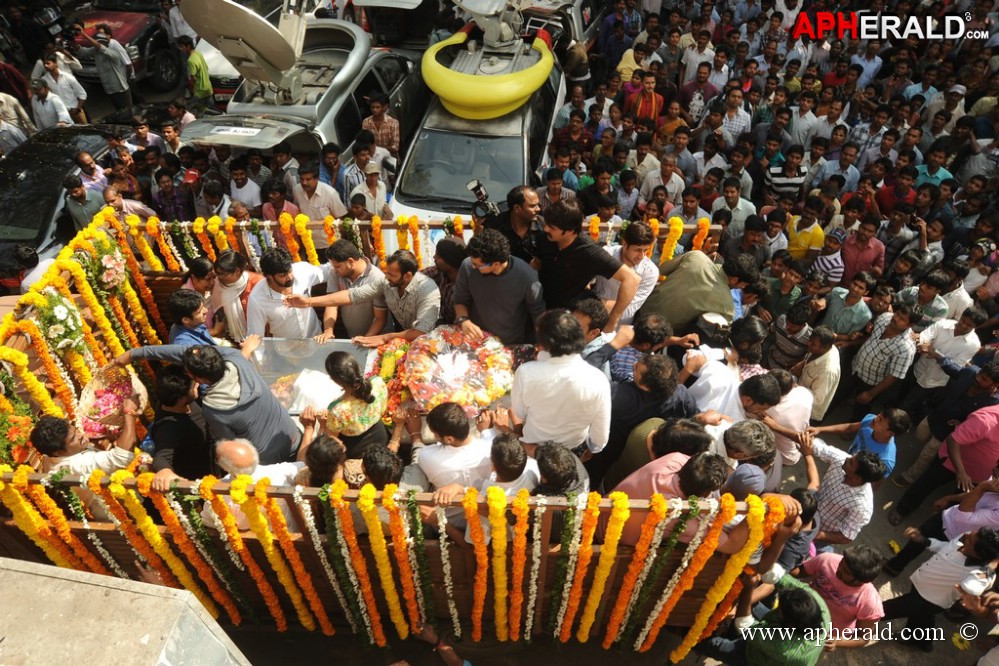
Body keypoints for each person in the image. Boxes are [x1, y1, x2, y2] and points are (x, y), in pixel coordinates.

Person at [117, 345, 301, 465]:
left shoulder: (214, 409)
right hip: (291, 437)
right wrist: (135, 354)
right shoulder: (236, 359)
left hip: (267, 463)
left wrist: (136, 353)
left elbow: (228, 447)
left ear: (198, 378)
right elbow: (181, 352)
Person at [286, 250, 440, 348]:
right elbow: (352, 295)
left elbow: (421, 332)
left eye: (392, 275)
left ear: (407, 276)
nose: (386, 277)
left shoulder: (427, 290)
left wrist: (385, 337)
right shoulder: (387, 283)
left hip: (430, 345)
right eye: (387, 272)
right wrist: (308, 302)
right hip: (404, 341)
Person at [512, 310, 611, 458]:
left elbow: (519, 412)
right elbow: (599, 439)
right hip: (570, 455)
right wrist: (589, 452)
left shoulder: (527, 373)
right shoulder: (599, 380)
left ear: (542, 342)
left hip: (532, 449)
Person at [882, 528, 999, 652]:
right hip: (920, 585)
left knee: (884, 610)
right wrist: (923, 540)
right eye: (970, 534)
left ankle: (861, 617)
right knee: (922, 618)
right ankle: (922, 642)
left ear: (979, 555)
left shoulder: (981, 574)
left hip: (928, 601)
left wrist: (992, 564)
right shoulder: (964, 539)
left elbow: (970, 586)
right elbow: (945, 547)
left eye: (970, 540)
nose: (966, 534)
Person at [536, 199, 639, 328]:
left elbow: (632, 279)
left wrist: (613, 319)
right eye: (547, 224)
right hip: (538, 307)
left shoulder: (589, 252)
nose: (545, 229)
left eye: (552, 227)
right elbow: (536, 264)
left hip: (566, 318)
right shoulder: (544, 239)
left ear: (570, 230)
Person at [29, 405, 138, 517]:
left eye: (75, 430)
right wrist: (129, 413)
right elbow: (122, 457)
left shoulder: (49, 458)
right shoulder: (78, 464)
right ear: (59, 452)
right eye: (73, 439)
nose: (81, 435)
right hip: (126, 513)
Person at [453, 228, 544, 345]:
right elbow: (460, 300)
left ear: (496, 264)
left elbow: (538, 313)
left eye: (477, 265)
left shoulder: (526, 276)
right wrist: (464, 320)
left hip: (510, 345)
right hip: (476, 342)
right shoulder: (467, 266)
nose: (473, 267)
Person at [797, 431, 887, 547]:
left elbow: (846, 536)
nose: (846, 459)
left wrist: (813, 534)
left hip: (817, 534)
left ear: (857, 478)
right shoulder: (843, 459)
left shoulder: (862, 506)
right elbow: (809, 444)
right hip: (806, 511)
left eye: (851, 463)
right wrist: (775, 426)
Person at [415, 402, 494, 526]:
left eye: (435, 434)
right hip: (482, 521)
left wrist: (415, 435)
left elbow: (419, 453)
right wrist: (487, 431)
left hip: (446, 523)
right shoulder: (490, 448)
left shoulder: (427, 457)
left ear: (449, 439)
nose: (434, 437)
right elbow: (490, 442)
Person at [638, 251, 758, 331]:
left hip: (640, 310)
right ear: (734, 279)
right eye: (743, 285)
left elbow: (662, 269)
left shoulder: (696, 256)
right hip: (660, 334)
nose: (741, 288)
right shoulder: (727, 306)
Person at [201, 438, 303, 530]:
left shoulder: (216, 493)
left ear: (223, 466)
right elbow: (305, 465)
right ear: (255, 455)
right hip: (291, 540)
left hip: (249, 548)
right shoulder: (280, 472)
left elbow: (208, 522)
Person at [798, 545, 885, 648]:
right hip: (800, 611)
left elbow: (863, 639)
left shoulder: (870, 603)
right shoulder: (827, 559)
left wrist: (836, 642)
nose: (838, 569)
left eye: (846, 572)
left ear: (860, 580)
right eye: (841, 563)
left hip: (823, 635)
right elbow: (799, 572)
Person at [314, 351, 389, 462]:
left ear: (334, 380)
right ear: (357, 367)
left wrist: (322, 425)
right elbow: (383, 408)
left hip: (357, 449)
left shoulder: (337, 410)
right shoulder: (378, 383)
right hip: (381, 436)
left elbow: (332, 439)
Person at [148, 366, 213, 491]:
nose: (198, 385)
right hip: (202, 483)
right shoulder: (168, 428)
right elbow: (162, 456)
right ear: (181, 398)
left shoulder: (179, 400)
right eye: (194, 385)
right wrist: (164, 471)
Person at [246, 247, 330, 339]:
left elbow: (328, 270)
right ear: (269, 276)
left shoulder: (302, 271)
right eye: (283, 275)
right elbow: (255, 335)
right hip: (285, 351)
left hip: (316, 341)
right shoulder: (257, 298)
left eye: (290, 271)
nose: (290, 277)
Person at [851, 305, 919, 418]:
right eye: (897, 314)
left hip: (871, 382)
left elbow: (894, 375)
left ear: (910, 325)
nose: (896, 318)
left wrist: (870, 394)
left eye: (902, 319)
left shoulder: (906, 348)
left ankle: (851, 430)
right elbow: (871, 336)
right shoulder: (884, 318)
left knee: (861, 409)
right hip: (856, 366)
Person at [316, 239, 388, 342]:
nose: (335, 270)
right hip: (353, 338)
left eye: (338, 266)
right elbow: (331, 304)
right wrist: (328, 330)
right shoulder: (335, 274)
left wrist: (366, 339)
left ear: (350, 261)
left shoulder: (376, 277)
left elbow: (380, 318)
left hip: (377, 338)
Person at [592, 221, 658, 325]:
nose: (641, 256)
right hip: (592, 318)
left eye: (645, 250)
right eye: (637, 250)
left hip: (620, 324)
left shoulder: (650, 272)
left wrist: (594, 304)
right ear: (624, 243)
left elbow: (628, 310)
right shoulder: (605, 255)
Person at [484, 185, 547, 265]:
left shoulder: (543, 226)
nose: (538, 209)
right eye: (532, 206)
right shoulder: (495, 225)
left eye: (538, 205)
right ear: (517, 208)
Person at [74, 25, 132, 111]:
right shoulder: (96, 50)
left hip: (121, 90)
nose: (98, 40)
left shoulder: (112, 53)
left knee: (128, 113)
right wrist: (73, 42)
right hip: (109, 89)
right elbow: (83, 52)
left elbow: (102, 49)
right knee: (119, 113)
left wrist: (84, 34)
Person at [211, 250, 264, 343]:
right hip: (233, 337)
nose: (219, 278)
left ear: (237, 271)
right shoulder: (218, 283)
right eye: (217, 274)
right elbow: (220, 310)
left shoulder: (258, 283)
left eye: (223, 274)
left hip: (259, 337)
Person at [797, 326, 841, 422]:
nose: (808, 344)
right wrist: (804, 364)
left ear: (825, 347)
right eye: (810, 340)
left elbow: (817, 399)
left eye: (813, 344)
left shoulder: (828, 371)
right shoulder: (826, 348)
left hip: (807, 412)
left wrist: (794, 387)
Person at [41, 54, 86, 125]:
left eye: (48, 63)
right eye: (44, 64)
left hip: (75, 112)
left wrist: (77, 109)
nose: (46, 66)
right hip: (61, 116)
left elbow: (82, 94)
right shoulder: (44, 80)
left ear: (55, 63)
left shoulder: (68, 77)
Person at [176, 35, 212, 111]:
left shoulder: (191, 60)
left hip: (200, 91)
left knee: (192, 110)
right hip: (208, 87)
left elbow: (193, 78)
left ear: (188, 46)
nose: (180, 49)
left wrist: (191, 89)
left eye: (182, 46)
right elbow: (206, 68)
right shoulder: (198, 53)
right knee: (209, 109)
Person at [361, 92, 400, 158]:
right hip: (373, 159)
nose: (374, 110)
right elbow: (365, 144)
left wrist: (375, 148)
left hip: (389, 159)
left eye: (377, 107)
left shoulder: (393, 123)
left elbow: (395, 148)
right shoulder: (366, 122)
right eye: (372, 107)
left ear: (384, 107)